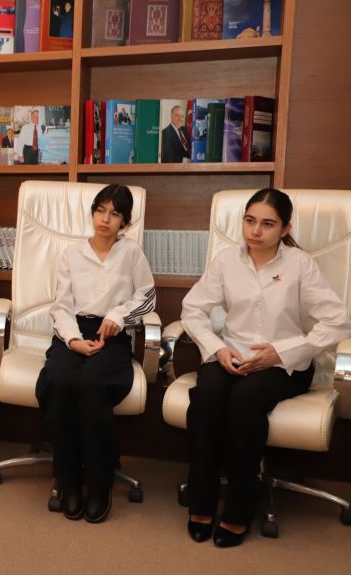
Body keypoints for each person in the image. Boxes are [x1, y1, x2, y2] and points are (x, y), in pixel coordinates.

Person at [181, 188, 351, 547]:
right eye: (250, 220)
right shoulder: (227, 261)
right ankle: (201, 500)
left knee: (245, 400)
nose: (256, 231)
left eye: (268, 224)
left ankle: (240, 508)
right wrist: (217, 348)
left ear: (285, 228)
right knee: (207, 395)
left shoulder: (300, 265)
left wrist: (281, 352)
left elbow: (338, 321)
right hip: (231, 353)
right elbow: (192, 310)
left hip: (285, 364)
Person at [35, 184, 155, 523]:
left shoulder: (131, 252)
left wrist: (118, 317)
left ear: (125, 222)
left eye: (114, 214)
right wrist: (73, 340)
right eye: (100, 210)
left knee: (91, 384)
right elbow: (60, 305)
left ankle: (100, 482)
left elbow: (147, 296)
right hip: (72, 331)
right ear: (92, 214)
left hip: (111, 334)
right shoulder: (72, 254)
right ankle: (69, 477)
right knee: (59, 380)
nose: (105, 219)